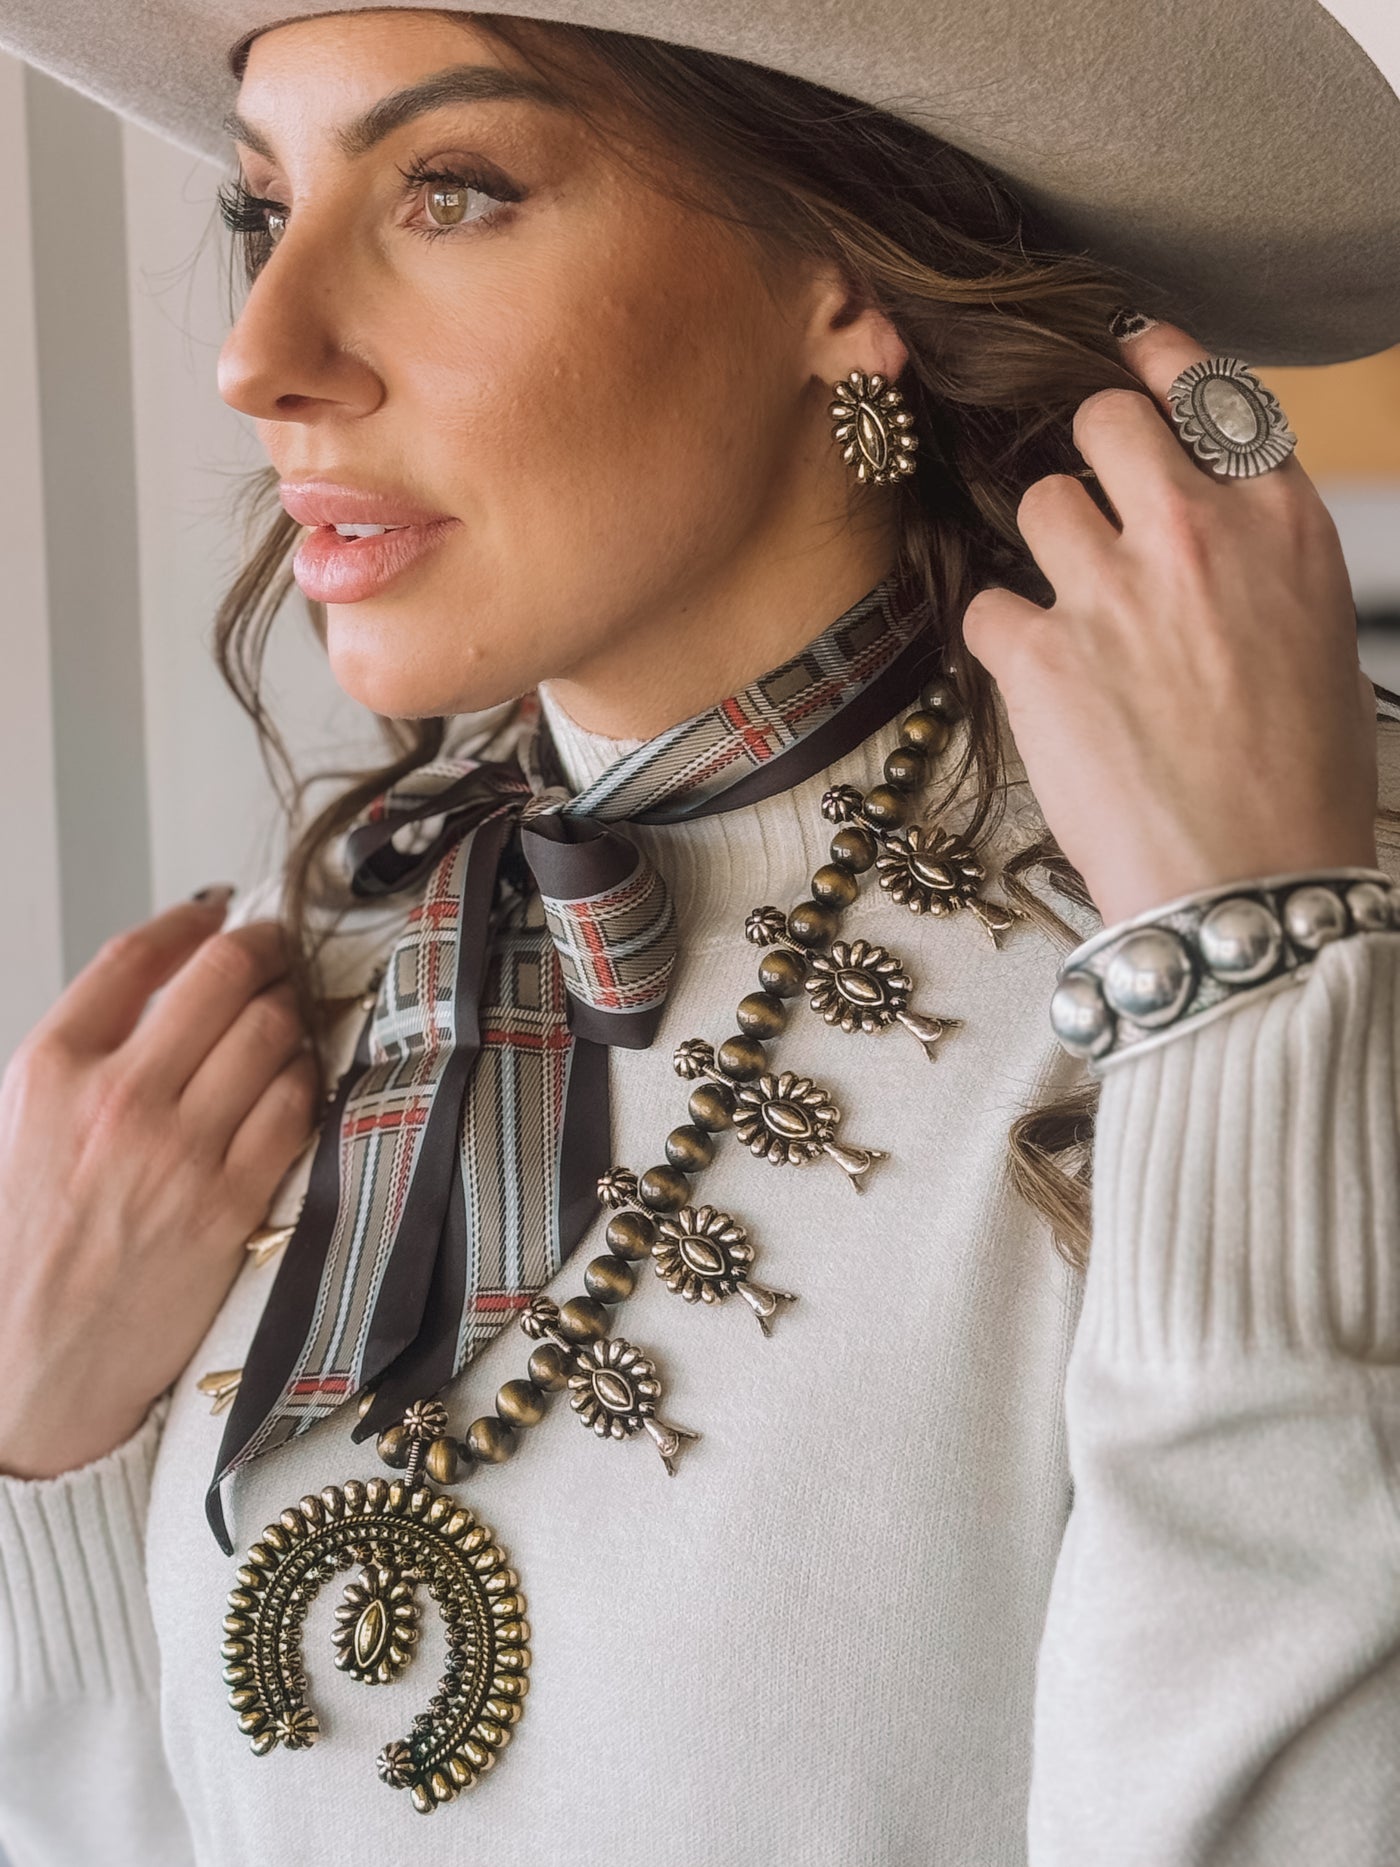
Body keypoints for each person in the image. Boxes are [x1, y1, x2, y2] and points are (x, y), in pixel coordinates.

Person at [0, 4, 1398, 1863]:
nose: (260, 355)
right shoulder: (304, 966)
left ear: (843, 274)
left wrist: (1253, 980)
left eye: (452, 191)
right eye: (267, 209)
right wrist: (42, 1464)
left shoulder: (1296, 936)